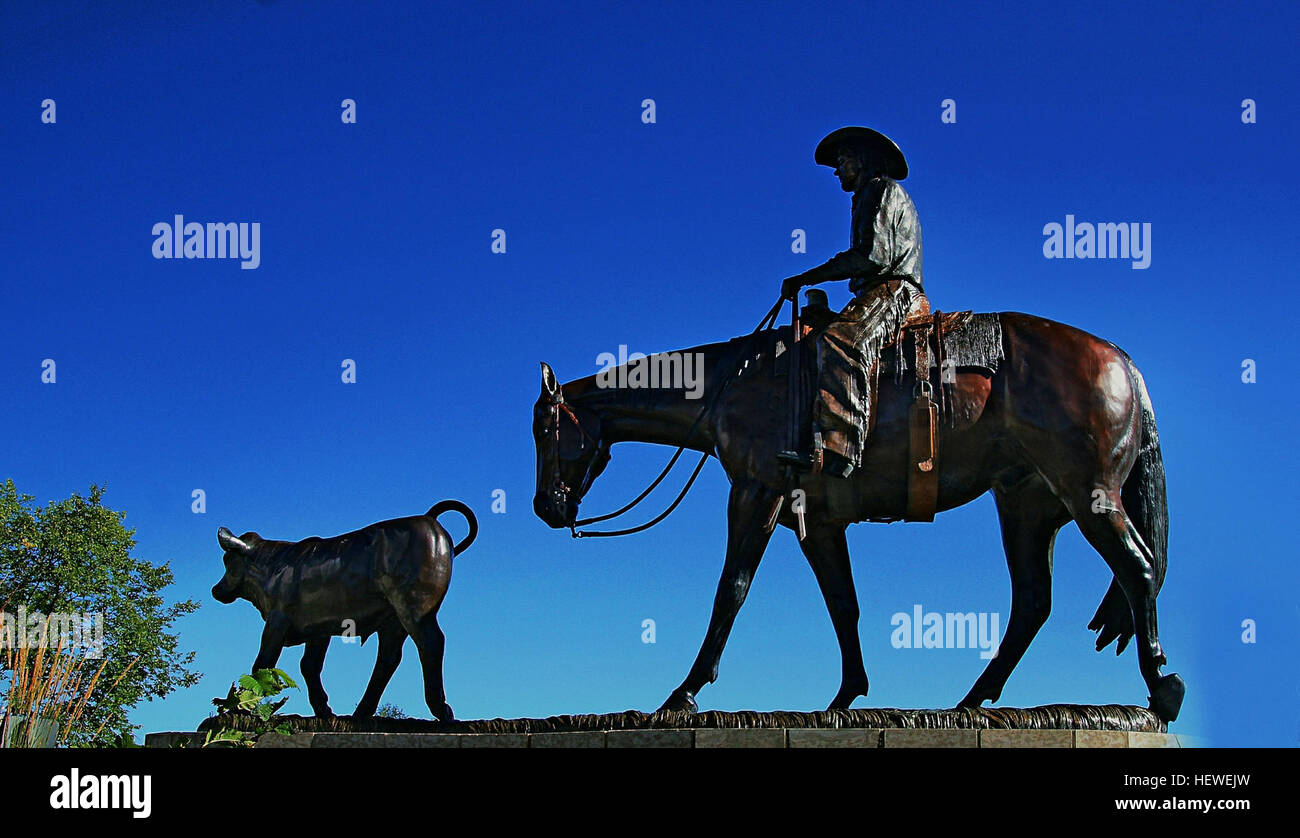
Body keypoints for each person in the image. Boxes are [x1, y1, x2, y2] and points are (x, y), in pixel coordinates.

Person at [779, 126, 924, 478]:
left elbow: (871, 257)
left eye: (842, 161)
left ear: (861, 161)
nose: (837, 169)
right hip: (874, 292)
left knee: (840, 341)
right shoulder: (866, 196)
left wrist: (806, 277)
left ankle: (839, 447)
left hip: (893, 290)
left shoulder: (882, 191)